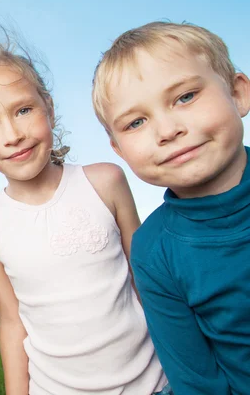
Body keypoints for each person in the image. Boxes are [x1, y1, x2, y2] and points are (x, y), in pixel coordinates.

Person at [0, 39, 169, 394]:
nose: (12, 135)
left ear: (49, 109)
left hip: (154, 384)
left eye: (23, 110)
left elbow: (148, 282)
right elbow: (11, 322)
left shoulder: (105, 181)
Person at [92, 21, 250, 394]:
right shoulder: (152, 250)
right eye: (136, 122)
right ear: (118, 149)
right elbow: (196, 383)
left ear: (238, 93)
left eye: (185, 97)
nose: (166, 130)